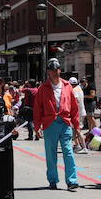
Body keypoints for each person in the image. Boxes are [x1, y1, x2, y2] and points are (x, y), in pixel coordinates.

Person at [33, 58, 80, 191]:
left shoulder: (67, 86)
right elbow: (37, 109)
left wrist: (76, 126)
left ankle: (72, 181)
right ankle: (53, 180)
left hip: (65, 122)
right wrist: (37, 127)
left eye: (57, 69)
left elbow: (74, 108)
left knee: (68, 152)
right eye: (52, 70)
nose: (55, 72)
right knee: (51, 154)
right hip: (50, 123)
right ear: (48, 72)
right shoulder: (43, 88)